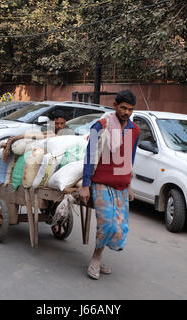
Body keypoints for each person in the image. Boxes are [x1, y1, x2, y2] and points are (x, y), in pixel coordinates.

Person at [79, 90, 141, 280]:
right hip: (101, 183)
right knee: (106, 223)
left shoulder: (134, 130)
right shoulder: (101, 126)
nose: (126, 112)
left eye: (130, 109)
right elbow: (90, 156)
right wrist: (85, 185)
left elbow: (130, 158)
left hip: (121, 185)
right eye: (123, 108)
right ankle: (96, 259)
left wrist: (129, 184)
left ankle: (100, 255)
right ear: (115, 106)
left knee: (119, 227)